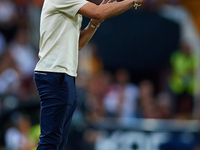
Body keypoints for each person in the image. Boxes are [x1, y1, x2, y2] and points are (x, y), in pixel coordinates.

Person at [34, 0, 146, 149]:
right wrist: (132, 1)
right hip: (54, 74)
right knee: (51, 140)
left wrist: (94, 23)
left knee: (58, 141)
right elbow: (99, 11)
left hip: (63, 75)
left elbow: (79, 43)